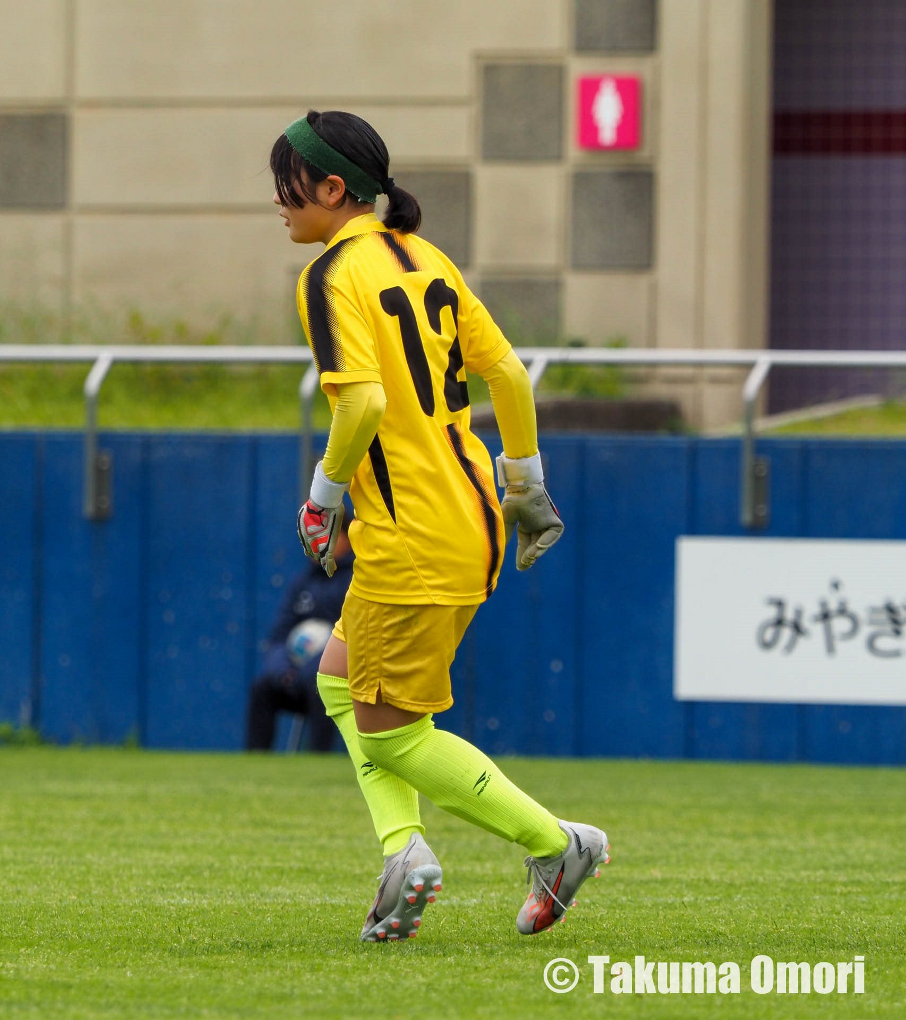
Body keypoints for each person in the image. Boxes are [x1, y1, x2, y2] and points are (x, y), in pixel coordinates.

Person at [271, 110, 609, 943]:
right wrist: (524, 484)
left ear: (332, 189)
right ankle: (403, 856)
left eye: (286, 185)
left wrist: (322, 497)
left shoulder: (329, 276)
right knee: (341, 682)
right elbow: (509, 377)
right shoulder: (428, 259)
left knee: (392, 738)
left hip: (411, 535)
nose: (278, 203)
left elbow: (365, 401)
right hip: (471, 515)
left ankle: (557, 844)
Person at [245, 518, 353, 753]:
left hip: (338, 677)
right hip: (296, 675)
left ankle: (317, 760)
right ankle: (254, 759)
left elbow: (356, 638)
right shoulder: (302, 583)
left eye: (325, 537)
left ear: (347, 538)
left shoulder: (358, 581)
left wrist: (313, 670)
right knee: (263, 687)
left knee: (321, 687)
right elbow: (279, 636)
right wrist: (285, 670)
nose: (317, 545)